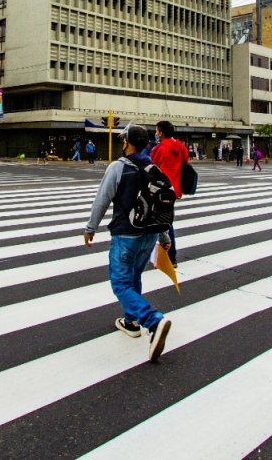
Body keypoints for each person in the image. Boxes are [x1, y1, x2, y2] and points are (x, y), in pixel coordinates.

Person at [83, 124, 173, 362]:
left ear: (126, 143)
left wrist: (90, 228)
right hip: (149, 236)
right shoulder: (153, 167)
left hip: (126, 234)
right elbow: (160, 206)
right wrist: (164, 237)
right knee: (134, 277)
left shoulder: (119, 167)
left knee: (121, 284)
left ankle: (152, 321)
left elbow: (103, 198)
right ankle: (130, 321)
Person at [150, 120, 189, 268]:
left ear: (160, 132)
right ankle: (167, 257)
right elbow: (186, 163)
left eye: (156, 130)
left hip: (160, 189)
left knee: (161, 223)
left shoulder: (160, 148)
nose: (156, 133)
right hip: (174, 190)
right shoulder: (180, 147)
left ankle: (169, 258)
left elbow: (152, 167)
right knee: (166, 221)